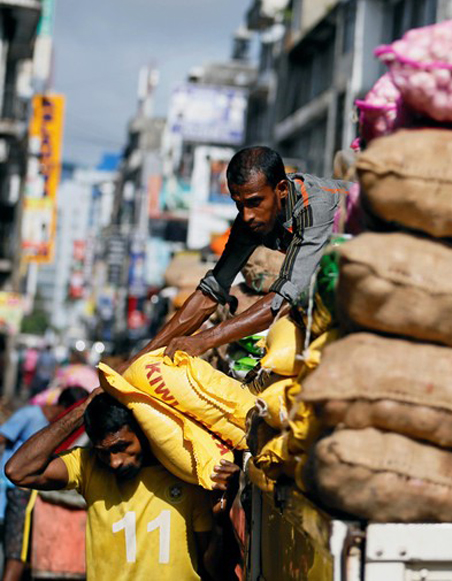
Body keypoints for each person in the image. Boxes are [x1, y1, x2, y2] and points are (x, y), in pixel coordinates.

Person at [119, 146, 348, 370]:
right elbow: (211, 292)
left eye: (255, 202)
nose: (246, 215)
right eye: (239, 204)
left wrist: (205, 340)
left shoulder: (315, 206)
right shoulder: (250, 221)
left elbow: (284, 298)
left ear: (281, 189)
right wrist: (136, 362)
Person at [4, 389, 240, 581]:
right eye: (104, 452)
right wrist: (82, 409)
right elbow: (18, 470)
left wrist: (219, 521)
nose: (115, 462)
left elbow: (214, 570)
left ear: (142, 431)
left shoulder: (185, 472)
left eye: (121, 447)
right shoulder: (88, 466)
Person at [0, 386, 88, 581]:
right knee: (16, 554)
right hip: (15, 490)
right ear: (66, 408)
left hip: (31, 493)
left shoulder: (53, 427)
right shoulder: (30, 415)